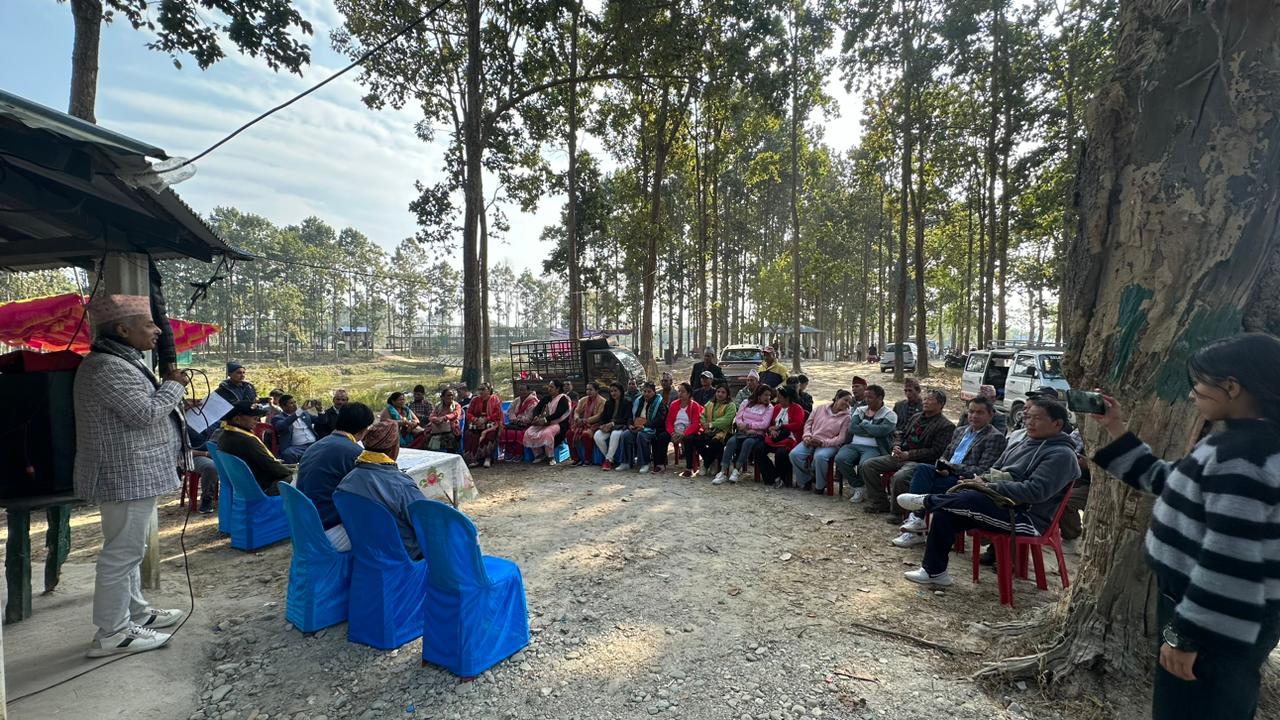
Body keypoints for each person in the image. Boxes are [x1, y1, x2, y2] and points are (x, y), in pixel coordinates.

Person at [1090, 334, 1280, 719]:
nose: (1193, 394)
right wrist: (1115, 428)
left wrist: (1186, 635)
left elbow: (1229, 558)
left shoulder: (1244, 458)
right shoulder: (1241, 444)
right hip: (1220, 610)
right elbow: (1168, 480)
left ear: (1231, 387)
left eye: (1200, 383)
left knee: (1195, 708)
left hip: (1219, 617)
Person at [73, 293, 189, 656]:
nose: (157, 331)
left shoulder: (121, 361)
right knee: (122, 553)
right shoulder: (108, 367)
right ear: (123, 330)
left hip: (134, 473)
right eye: (149, 324)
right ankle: (113, 632)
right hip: (124, 475)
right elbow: (144, 414)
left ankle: (136, 612)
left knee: (131, 549)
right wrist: (173, 385)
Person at [899, 397, 1080, 589]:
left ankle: (927, 502)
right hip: (999, 503)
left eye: (1037, 418)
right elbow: (995, 469)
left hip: (1025, 518)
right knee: (946, 513)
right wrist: (980, 481)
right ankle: (934, 572)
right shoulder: (1023, 442)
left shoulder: (1062, 454)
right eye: (1028, 417)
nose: (1030, 422)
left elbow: (1034, 491)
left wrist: (989, 486)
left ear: (1057, 424)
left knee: (971, 498)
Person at [890, 395, 1008, 548]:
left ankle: (916, 526)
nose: (974, 416)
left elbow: (983, 470)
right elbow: (945, 455)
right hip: (946, 474)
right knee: (922, 469)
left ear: (990, 415)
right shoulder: (960, 431)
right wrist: (942, 466)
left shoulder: (995, 437)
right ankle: (917, 521)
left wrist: (952, 467)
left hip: (964, 481)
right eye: (971, 412)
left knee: (921, 486)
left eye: (979, 412)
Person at [336, 421, 426, 560]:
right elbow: (426, 522)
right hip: (403, 557)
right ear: (395, 448)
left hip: (367, 552)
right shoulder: (401, 485)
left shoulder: (346, 482)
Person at [859, 389, 954, 514]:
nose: (925, 402)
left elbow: (936, 452)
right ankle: (879, 502)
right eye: (925, 399)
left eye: (930, 399)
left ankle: (897, 512)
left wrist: (909, 455)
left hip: (919, 462)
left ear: (940, 404)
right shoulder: (916, 417)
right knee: (868, 465)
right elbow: (900, 434)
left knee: (900, 477)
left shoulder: (946, 426)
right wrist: (896, 446)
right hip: (900, 456)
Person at [295, 402, 375, 552]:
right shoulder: (354, 452)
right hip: (328, 531)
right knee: (386, 527)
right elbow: (369, 494)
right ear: (364, 429)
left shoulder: (315, 446)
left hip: (305, 526)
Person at [836, 385, 898, 502]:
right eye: (866, 397)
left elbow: (881, 431)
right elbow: (852, 428)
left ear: (880, 398)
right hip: (854, 445)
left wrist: (864, 424)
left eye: (870, 397)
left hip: (875, 448)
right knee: (841, 458)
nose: (867, 400)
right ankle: (858, 486)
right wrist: (872, 430)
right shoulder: (860, 410)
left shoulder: (890, 414)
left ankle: (864, 488)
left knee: (864, 464)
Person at [219, 402, 294, 495]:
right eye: (254, 418)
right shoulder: (247, 440)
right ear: (237, 419)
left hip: (243, 487)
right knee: (297, 476)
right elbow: (276, 470)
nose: (257, 421)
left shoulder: (224, 435)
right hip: (262, 488)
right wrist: (295, 471)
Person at [791, 390, 854, 493]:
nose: (847, 404)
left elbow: (841, 438)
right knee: (794, 454)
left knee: (820, 457)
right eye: (845, 400)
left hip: (830, 444)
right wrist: (807, 437)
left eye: (849, 402)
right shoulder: (820, 408)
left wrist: (823, 443)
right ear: (837, 398)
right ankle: (806, 479)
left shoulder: (847, 417)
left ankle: (820, 486)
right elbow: (808, 424)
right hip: (811, 439)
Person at [714, 384, 775, 485]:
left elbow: (764, 424)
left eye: (769, 395)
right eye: (765, 395)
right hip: (742, 432)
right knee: (731, 442)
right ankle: (723, 472)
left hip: (756, 434)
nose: (768, 397)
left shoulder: (769, 407)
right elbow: (738, 417)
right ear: (758, 395)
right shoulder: (746, 402)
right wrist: (742, 426)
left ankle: (736, 471)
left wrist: (749, 426)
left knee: (748, 443)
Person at [754, 386, 807, 488]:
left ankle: (783, 477)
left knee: (781, 453)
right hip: (775, 438)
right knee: (758, 448)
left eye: (780, 397)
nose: (778, 399)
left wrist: (781, 427)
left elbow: (798, 424)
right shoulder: (777, 408)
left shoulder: (797, 408)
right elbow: (770, 424)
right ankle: (773, 476)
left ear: (787, 398)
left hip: (790, 438)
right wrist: (772, 430)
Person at [688, 385, 736, 478]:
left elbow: (727, 420)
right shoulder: (710, 403)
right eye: (718, 392)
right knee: (697, 440)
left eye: (723, 392)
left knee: (715, 443)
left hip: (724, 432)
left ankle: (706, 464)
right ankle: (712, 461)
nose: (720, 394)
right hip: (708, 430)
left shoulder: (731, 405)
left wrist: (711, 424)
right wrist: (705, 425)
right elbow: (702, 415)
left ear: (727, 394)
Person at [524, 379, 573, 464]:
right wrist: (536, 417)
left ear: (558, 388)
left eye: (551, 387)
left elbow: (559, 413)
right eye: (549, 387)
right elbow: (537, 409)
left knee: (547, 433)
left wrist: (545, 419)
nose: (549, 389)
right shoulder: (546, 398)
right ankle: (539, 455)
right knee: (529, 432)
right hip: (543, 422)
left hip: (558, 423)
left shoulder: (563, 398)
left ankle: (551, 457)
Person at [622, 381, 667, 473]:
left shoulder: (659, 402)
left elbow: (659, 420)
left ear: (654, 392)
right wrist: (630, 424)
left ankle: (644, 463)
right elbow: (631, 415)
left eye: (649, 392)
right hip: (637, 426)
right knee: (625, 435)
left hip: (652, 429)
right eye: (644, 391)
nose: (646, 394)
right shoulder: (639, 401)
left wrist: (644, 426)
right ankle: (626, 462)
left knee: (641, 435)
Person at [665, 383, 704, 477]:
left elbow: (696, 424)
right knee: (662, 436)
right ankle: (660, 464)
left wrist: (684, 434)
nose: (680, 394)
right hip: (675, 431)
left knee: (688, 439)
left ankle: (689, 468)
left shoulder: (694, 405)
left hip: (688, 431)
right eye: (679, 391)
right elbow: (668, 421)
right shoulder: (674, 404)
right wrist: (672, 433)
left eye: (683, 392)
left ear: (689, 393)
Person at [463, 383, 504, 467]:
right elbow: (469, 413)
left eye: (483, 389)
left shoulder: (495, 399)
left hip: (491, 423)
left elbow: (497, 413)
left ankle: (488, 458)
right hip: (477, 423)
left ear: (489, 390)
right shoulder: (474, 400)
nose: (481, 391)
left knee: (490, 434)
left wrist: (486, 419)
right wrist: (475, 419)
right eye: (479, 389)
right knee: (469, 434)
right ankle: (473, 458)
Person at [594, 383, 633, 470]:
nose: (613, 393)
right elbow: (604, 417)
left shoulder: (627, 402)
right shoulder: (608, 403)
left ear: (621, 391)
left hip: (621, 426)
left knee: (615, 434)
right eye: (611, 391)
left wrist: (613, 423)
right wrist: (602, 425)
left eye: (615, 391)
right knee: (597, 436)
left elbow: (626, 418)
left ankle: (607, 460)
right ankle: (609, 458)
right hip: (609, 426)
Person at [271, 394, 319, 463]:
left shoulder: (304, 414)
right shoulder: (278, 418)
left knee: (329, 446)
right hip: (297, 448)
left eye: (295, 402)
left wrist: (320, 410)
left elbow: (321, 421)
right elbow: (282, 426)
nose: (295, 405)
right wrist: (299, 411)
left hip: (314, 444)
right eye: (291, 403)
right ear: (283, 407)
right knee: (288, 454)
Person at [569, 382, 607, 466]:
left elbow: (599, 416)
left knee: (586, 434)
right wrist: (577, 418)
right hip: (582, 423)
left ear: (597, 390)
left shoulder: (602, 401)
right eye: (587, 389)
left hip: (595, 424)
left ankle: (588, 459)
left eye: (591, 390)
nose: (588, 392)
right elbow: (577, 411)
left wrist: (585, 421)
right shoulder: (583, 400)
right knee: (569, 433)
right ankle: (576, 458)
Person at [500, 386, 539, 460]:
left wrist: (519, 420)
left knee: (519, 434)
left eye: (524, 390)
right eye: (520, 390)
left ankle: (519, 453)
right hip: (515, 423)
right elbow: (510, 410)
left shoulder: (533, 402)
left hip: (527, 424)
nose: (522, 392)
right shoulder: (517, 400)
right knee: (504, 431)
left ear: (529, 391)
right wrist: (513, 418)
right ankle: (509, 452)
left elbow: (530, 417)